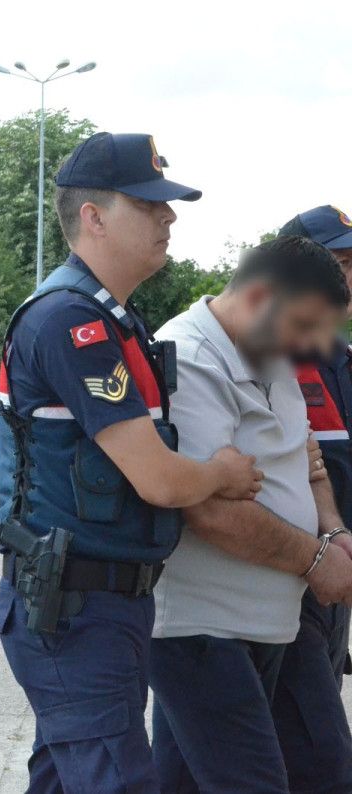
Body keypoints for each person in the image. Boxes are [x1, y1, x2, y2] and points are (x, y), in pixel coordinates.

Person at [0, 132, 263, 793]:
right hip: (76, 608)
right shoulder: (71, 322)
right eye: (147, 205)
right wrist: (223, 474)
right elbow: (159, 478)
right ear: (93, 217)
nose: (167, 217)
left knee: (67, 777)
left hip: (101, 604)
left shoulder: (111, 319)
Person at [149, 236, 352, 792]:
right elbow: (211, 512)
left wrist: (333, 529)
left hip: (267, 620)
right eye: (306, 326)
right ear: (260, 297)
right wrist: (317, 560)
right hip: (203, 628)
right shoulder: (188, 356)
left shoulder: (269, 353)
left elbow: (305, 459)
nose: (312, 347)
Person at [272, 206, 352, 794]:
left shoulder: (341, 358)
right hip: (286, 576)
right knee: (326, 759)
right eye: (339, 264)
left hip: (337, 582)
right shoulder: (259, 354)